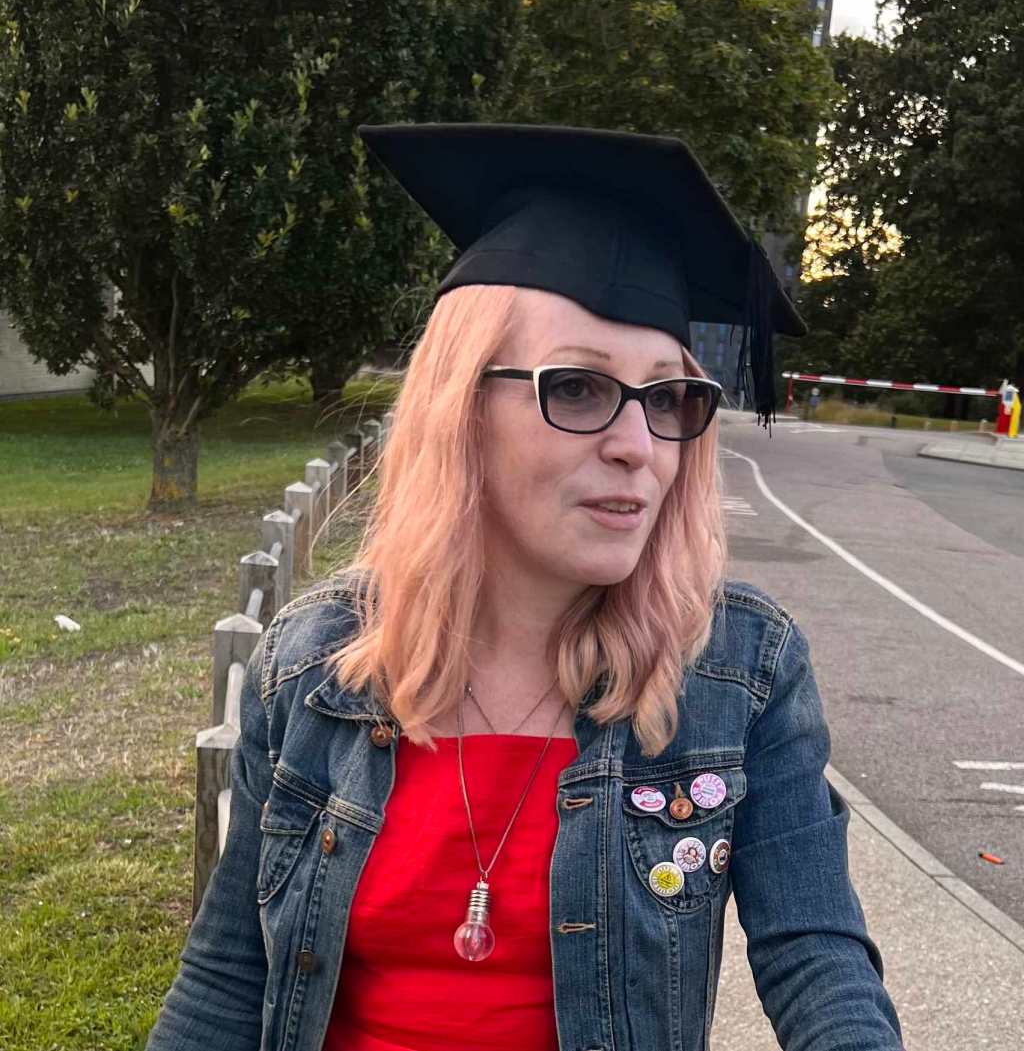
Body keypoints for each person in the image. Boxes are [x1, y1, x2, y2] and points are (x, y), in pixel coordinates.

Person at [145, 124, 904, 1051]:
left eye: (667, 398)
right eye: (579, 388)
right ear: (458, 410)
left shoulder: (738, 670)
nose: (639, 444)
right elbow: (227, 977)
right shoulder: (311, 668)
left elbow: (818, 957)